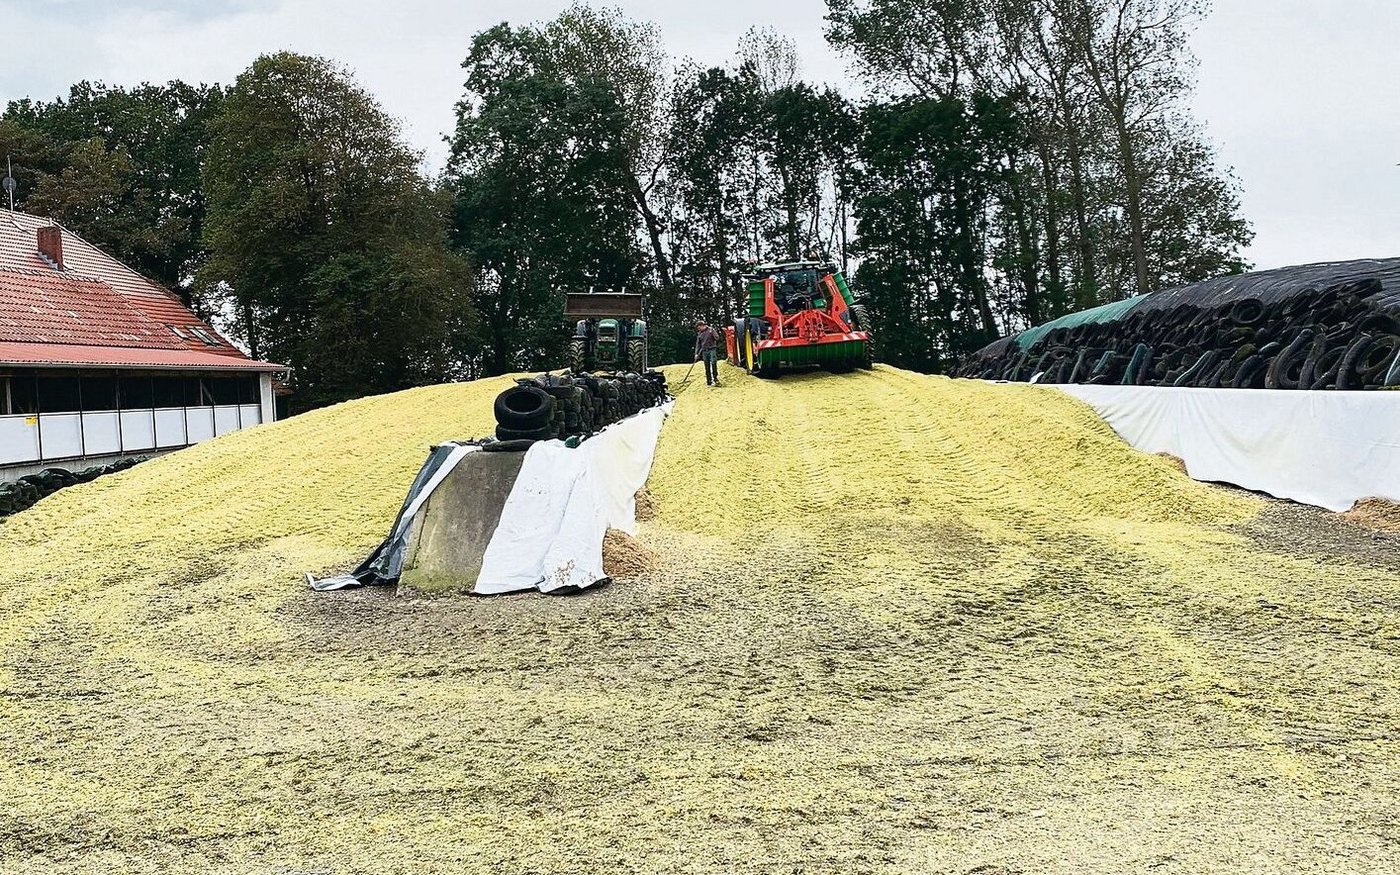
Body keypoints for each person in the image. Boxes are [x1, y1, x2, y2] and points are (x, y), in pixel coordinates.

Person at [694, 321, 720, 386]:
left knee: (713, 363)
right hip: (704, 351)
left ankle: (715, 379)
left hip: (712, 349)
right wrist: (696, 354)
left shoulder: (711, 330)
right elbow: (698, 344)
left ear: (702, 326)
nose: (699, 329)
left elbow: (717, 338)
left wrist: (714, 334)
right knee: (706, 365)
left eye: (699, 328)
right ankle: (709, 381)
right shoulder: (699, 334)